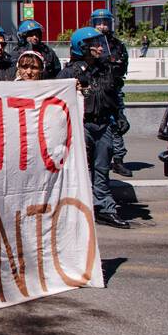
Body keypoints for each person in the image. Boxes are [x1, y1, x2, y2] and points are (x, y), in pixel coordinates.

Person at [60, 27, 128, 229]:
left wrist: (119, 115)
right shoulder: (69, 72)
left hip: (103, 123)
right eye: (95, 44)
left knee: (102, 167)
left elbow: (113, 95)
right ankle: (76, 209)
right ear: (83, 48)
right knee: (79, 169)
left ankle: (105, 208)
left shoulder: (105, 69)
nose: (101, 47)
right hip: (81, 125)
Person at [89, 8, 132, 177]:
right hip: (95, 89)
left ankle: (119, 160)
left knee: (117, 123)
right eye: (98, 23)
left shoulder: (117, 44)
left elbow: (122, 66)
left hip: (113, 88)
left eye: (105, 22)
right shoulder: (89, 42)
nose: (102, 26)